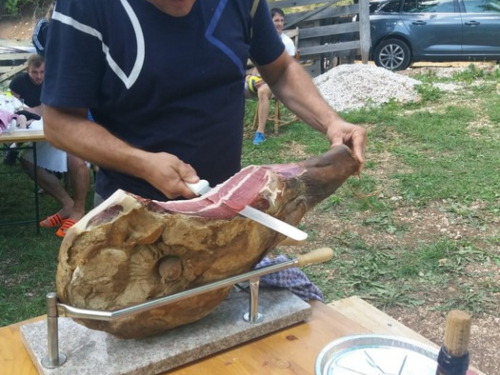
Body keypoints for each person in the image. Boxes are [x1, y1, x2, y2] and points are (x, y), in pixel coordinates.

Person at [41, 0, 367, 206]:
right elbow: (59, 123)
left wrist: (330, 121)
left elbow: (280, 69)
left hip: (224, 202)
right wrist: (142, 162)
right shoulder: (85, 7)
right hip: (131, 208)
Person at [9, 54, 90, 237]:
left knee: (75, 158)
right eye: (35, 72)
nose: (39, 76)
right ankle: (67, 204)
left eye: (42, 72)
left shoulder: (61, 79)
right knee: (28, 160)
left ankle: (79, 210)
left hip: (82, 126)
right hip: (53, 129)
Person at [252, 7, 296, 146]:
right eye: (276, 20)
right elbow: (257, 64)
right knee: (238, 86)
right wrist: (252, 77)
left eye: (282, 20)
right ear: (269, 22)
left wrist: (265, 80)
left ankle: (260, 133)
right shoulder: (264, 40)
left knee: (263, 91)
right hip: (265, 79)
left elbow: (289, 69)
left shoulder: (287, 42)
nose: (280, 23)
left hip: (282, 80)